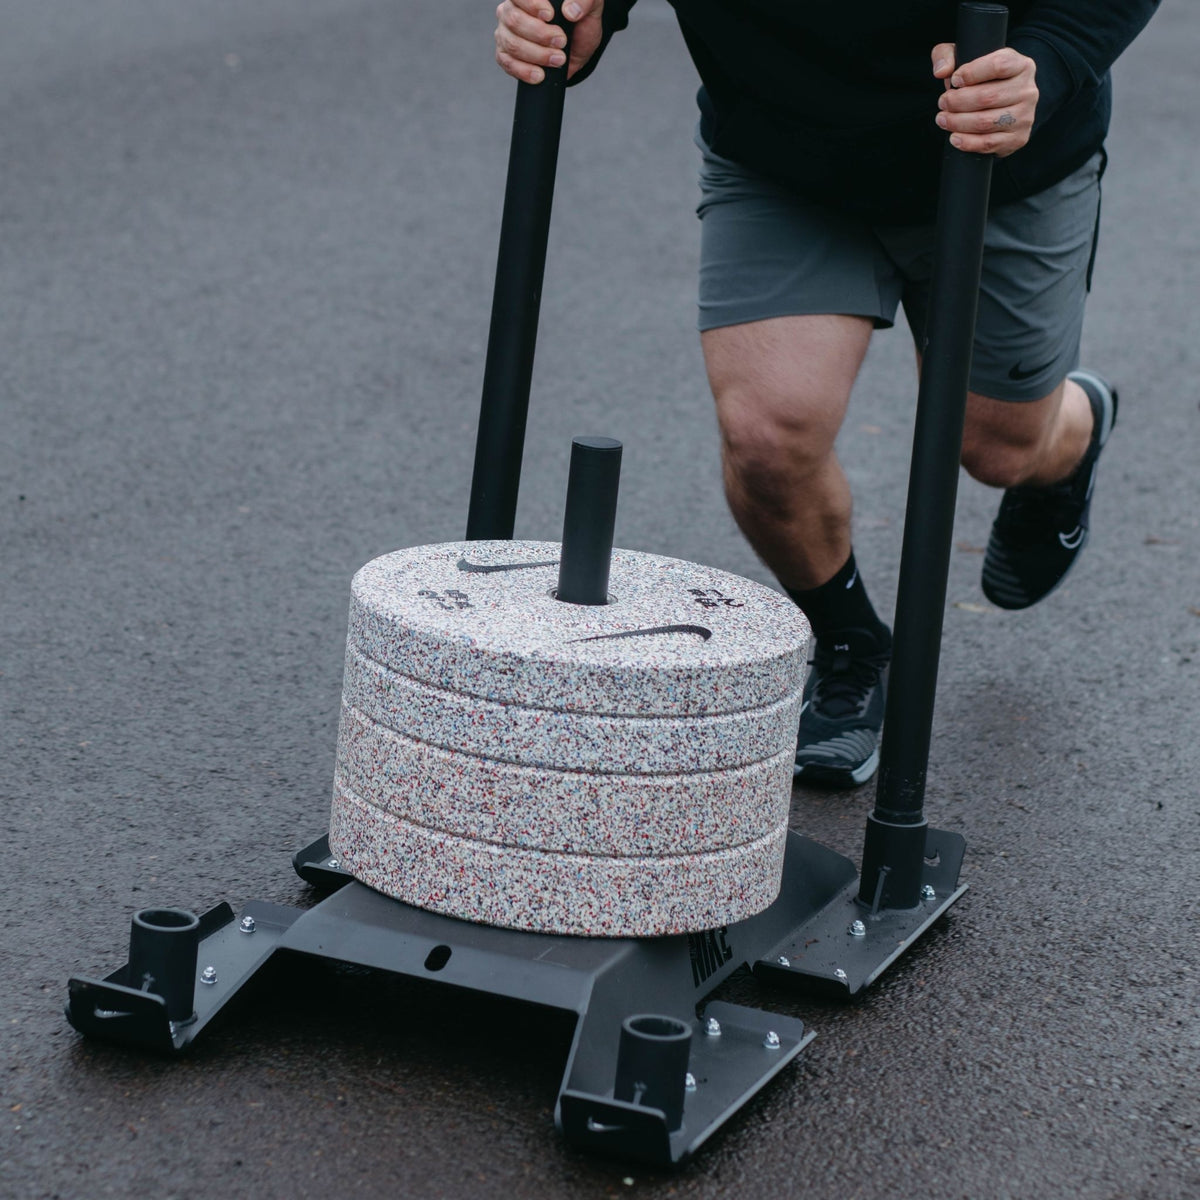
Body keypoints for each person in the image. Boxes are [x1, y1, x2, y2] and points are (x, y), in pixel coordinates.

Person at [494, 0, 1158, 788]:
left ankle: (1072, 436)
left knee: (997, 448)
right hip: (789, 160)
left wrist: (1047, 62)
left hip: (999, 151)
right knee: (767, 439)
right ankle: (849, 643)